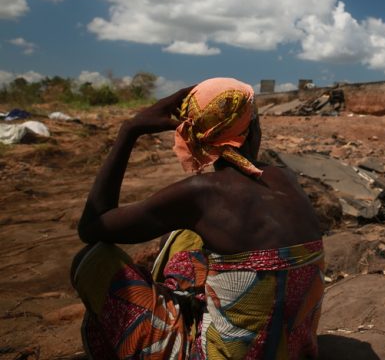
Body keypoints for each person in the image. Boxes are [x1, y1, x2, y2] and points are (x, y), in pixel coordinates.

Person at [71, 77, 324, 359]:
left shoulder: (199, 194)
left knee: (92, 259)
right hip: (296, 352)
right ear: (253, 130)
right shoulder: (285, 177)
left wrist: (130, 130)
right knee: (186, 236)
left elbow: (92, 226)